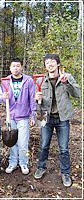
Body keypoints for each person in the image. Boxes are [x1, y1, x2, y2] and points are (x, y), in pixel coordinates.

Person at [34, 53, 80, 187]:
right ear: (45, 65)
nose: (50, 64)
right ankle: (41, 167)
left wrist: (66, 83)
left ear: (58, 64)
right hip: (44, 117)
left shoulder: (67, 77)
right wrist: (37, 99)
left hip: (62, 117)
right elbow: (36, 102)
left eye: (52, 61)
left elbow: (77, 94)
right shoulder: (40, 80)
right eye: (47, 62)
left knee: (64, 148)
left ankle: (65, 173)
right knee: (43, 145)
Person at [2, 57, 37, 175]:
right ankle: (12, 163)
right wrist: (4, 97)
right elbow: (2, 100)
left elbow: (32, 99)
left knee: (23, 143)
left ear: (21, 67)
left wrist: (33, 116)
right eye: (13, 66)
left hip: (24, 117)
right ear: (10, 68)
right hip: (10, 117)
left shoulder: (28, 81)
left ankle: (23, 163)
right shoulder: (6, 81)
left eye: (18, 66)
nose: (15, 68)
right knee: (12, 142)